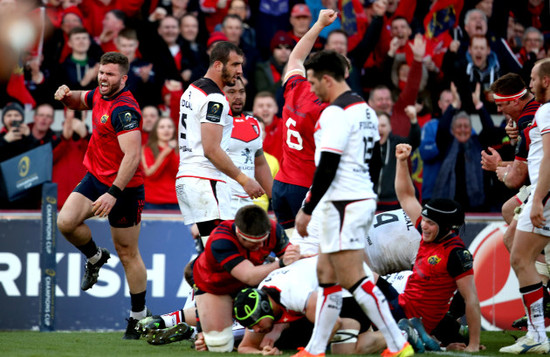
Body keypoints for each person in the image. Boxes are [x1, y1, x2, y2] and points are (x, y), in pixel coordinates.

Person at [294, 49, 409, 357]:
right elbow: (373, 162)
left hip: (343, 202)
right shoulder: (365, 111)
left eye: (313, 82)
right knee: (326, 274)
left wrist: (307, 209)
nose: (312, 88)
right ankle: (315, 349)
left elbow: (328, 164)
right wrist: (367, 193)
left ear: (327, 79)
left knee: (352, 277)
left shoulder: (335, 113)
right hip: (355, 199)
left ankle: (398, 344)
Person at [54, 52, 149, 340]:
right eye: (101, 72)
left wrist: (113, 193)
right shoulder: (100, 94)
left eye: (109, 74)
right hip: (96, 178)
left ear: (123, 78)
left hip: (125, 188)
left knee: (128, 253)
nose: (103, 78)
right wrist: (65, 95)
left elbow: (133, 157)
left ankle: (138, 317)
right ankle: (95, 257)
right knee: (65, 223)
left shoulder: (125, 111)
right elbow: (79, 99)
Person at [393, 143, 481, 352]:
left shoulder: (456, 253)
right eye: (423, 219)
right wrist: (402, 161)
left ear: (448, 228)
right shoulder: (428, 234)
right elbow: (406, 196)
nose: (423, 225)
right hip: (401, 306)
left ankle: (422, 336)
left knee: (371, 281)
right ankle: (428, 339)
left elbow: (471, 299)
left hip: (414, 317)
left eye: (430, 222)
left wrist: (474, 345)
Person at [175, 41, 264, 247]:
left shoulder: (192, 89)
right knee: (222, 253)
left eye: (240, 65)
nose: (240, 71)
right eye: (234, 65)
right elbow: (211, 149)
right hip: (206, 179)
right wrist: (244, 179)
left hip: (188, 177)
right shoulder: (215, 98)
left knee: (212, 253)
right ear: (217, 65)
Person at [192, 205, 301, 352]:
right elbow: (249, 276)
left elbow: (292, 264)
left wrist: (292, 257)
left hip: (255, 281)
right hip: (217, 287)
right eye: (255, 242)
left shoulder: (274, 229)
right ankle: (193, 328)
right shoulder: (221, 240)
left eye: (264, 239)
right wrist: (281, 262)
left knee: (265, 321)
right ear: (239, 234)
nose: (261, 245)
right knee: (219, 346)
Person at [233, 257, 387, 356]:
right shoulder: (261, 303)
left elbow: (333, 322)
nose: (257, 330)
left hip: (351, 287)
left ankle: (400, 335)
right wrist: (262, 354)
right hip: (329, 286)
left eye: (256, 324)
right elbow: (245, 347)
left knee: (343, 351)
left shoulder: (290, 292)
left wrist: (309, 353)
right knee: (292, 338)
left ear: (266, 308)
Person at [500, 58, 550, 354]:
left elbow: (548, 160)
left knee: (520, 257)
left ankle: (537, 335)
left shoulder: (545, 112)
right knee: (519, 252)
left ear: (545, 81)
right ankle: (537, 333)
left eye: (532, 79)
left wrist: (538, 201)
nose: (529, 84)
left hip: (544, 196)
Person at [271, 9, 331, 231]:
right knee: (308, 253)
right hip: (305, 187)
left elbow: (296, 56)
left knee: (289, 251)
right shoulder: (327, 109)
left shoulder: (295, 87)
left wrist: (319, 24)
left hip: (281, 184)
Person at [225, 77, 273, 214]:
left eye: (241, 92)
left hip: (247, 203)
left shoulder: (254, 123)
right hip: (220, 203)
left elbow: (260, 164)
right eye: (231, 92)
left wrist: (275, 200)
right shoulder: (213, 125)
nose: (238, 97)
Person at [141, 116, 179, 210]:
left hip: (176, 201)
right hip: (152, 202)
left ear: (174, 130)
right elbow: (151, 174)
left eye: (169, 127)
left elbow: (178, 174)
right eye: (162, 127)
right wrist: (167, 151)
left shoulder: (181, 150)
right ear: (155, 131)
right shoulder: (146, 149)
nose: (166, 130)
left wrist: (172, 151)